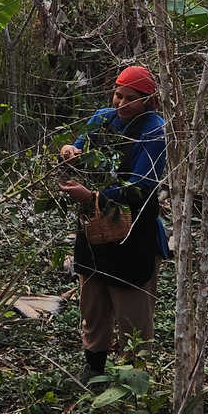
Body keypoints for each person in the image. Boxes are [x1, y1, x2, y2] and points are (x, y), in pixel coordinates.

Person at [59, 64, 168, 376]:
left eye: (130, 98)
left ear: (148, 101)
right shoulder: (104, 119)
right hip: (94, 229)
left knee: (132, 308)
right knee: (92, 302)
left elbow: (142, 187)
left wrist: (93, 196)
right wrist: (69, 150)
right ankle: (93, 368)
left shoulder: (154, 131)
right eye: (118, 95)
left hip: (134, 233)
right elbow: (78, 146)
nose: (120, 103)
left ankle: (134, 376)